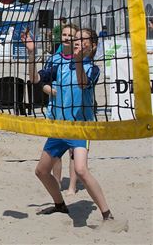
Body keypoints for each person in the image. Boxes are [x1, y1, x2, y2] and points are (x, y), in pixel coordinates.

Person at [22, 27, 118, 224]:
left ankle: (107, 214)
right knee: (41, 171)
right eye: (75, 38)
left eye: (82, 40)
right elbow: (35, 79)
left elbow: (83, 84)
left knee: (81, 170)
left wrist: (77, 60)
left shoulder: (93, 68)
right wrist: (31, 53)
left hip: (80, 127)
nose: (76, 41)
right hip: (59, 126)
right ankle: (60, 205)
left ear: (92, 47)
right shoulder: (59, 64)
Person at [41, 23, 79, 195]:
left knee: (74, 152)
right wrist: (51, 90)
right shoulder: (54, 59)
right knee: (55, 152)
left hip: (76, 112)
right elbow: (43, 84)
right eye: (64, 35)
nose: (67, 38)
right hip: (56, 110)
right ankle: (56, 182)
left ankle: (72, 186)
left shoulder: (81, 60)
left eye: (71, 35)